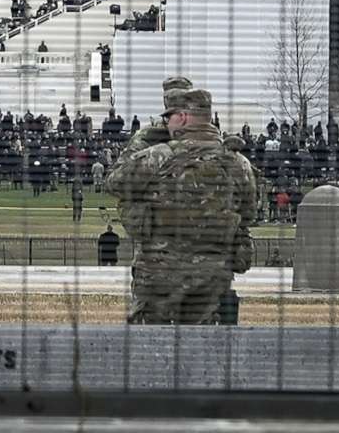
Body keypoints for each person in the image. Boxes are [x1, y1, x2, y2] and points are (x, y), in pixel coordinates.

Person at [102, 87, 265, 324]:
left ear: (183, 117)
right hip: (211, 280)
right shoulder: (238, 163)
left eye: (169, 117)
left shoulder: (158, 156)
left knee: (149, 350)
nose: (166, 122)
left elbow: (114, 183)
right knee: (208, 350)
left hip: (158, 279)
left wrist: (139, 143)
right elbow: (248, 213)